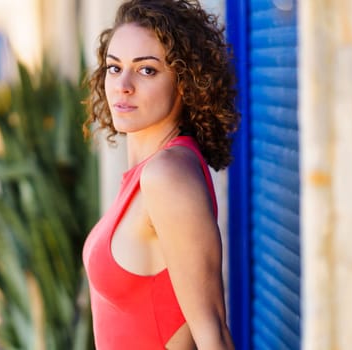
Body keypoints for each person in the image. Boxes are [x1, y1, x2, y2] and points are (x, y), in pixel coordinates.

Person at [82, 0, 240, 349]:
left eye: (146, 70)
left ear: (186, 82)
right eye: (114, 67)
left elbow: (213, 333)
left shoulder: (167, 177)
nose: (123, 85)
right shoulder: (149, 173)